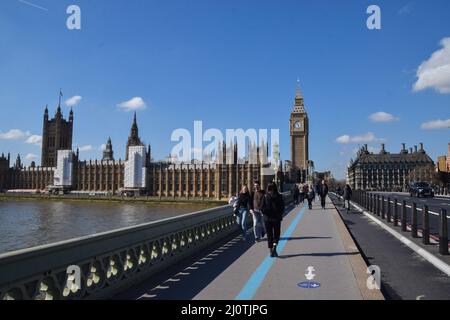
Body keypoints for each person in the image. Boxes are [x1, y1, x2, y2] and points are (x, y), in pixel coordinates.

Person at [261, 182, 285, 258]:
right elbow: (282, 207)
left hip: (267, 219)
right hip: (276, 219)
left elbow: (262, 208)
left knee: (269, 235)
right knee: (277, 234)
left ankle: (271, 250)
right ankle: (275, 245)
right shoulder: (279, 196)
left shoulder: (265, 196)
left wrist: (265, 212)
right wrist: (279, 214)